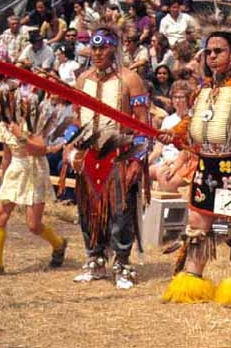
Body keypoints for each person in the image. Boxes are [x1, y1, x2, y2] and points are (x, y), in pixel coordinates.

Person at [159, 18, 231, 308]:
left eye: (218, 51)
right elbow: (194, 121)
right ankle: (192, 280)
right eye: (208, 52)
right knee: (198, 223)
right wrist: (173, 133)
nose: (211, 57)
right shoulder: (209, 86)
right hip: (209, 166)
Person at [68, 26, 149, 289]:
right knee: (89, 210)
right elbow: (77, 118)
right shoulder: (82, 80)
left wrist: (137, 160)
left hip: (120, 153)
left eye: (103, 47)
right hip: (90, 153)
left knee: (120, 211)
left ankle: (122, 264)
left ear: (114, 47)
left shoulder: (130, 80)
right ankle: (95, 260)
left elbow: (142, 123)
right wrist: (70, 146)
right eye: (94, 47)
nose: (98, 52)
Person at [0, 90, 67, 278]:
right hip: (16, 169)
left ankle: (58, 244)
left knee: (33, 225)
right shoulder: (4, 125)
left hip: (35, 171)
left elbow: (40, 150)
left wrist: (20, 134)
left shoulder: (34, 124)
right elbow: (7, 155)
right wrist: (4, 179)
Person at [149, 80, 196, 192]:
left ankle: (172, 209)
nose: (177, 101)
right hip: (164, 160)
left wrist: (175, 163)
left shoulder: (193, 119)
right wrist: (147, 160)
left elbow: (190, 150)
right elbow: (158, 148)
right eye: (175, 97)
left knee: (164, 176)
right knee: (143, 172)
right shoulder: (168, 120)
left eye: (181, 97)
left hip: (183, 161)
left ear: (188, 99)